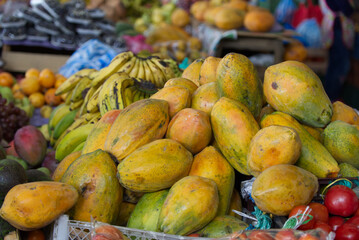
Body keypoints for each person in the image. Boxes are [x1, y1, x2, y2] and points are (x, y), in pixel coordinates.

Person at [320, 0, 355, 101]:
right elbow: (347, 8)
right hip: (337, 27)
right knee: (340, 65)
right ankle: (332, 98)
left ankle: (331, 97)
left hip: (336, 27)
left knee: (335, 64)